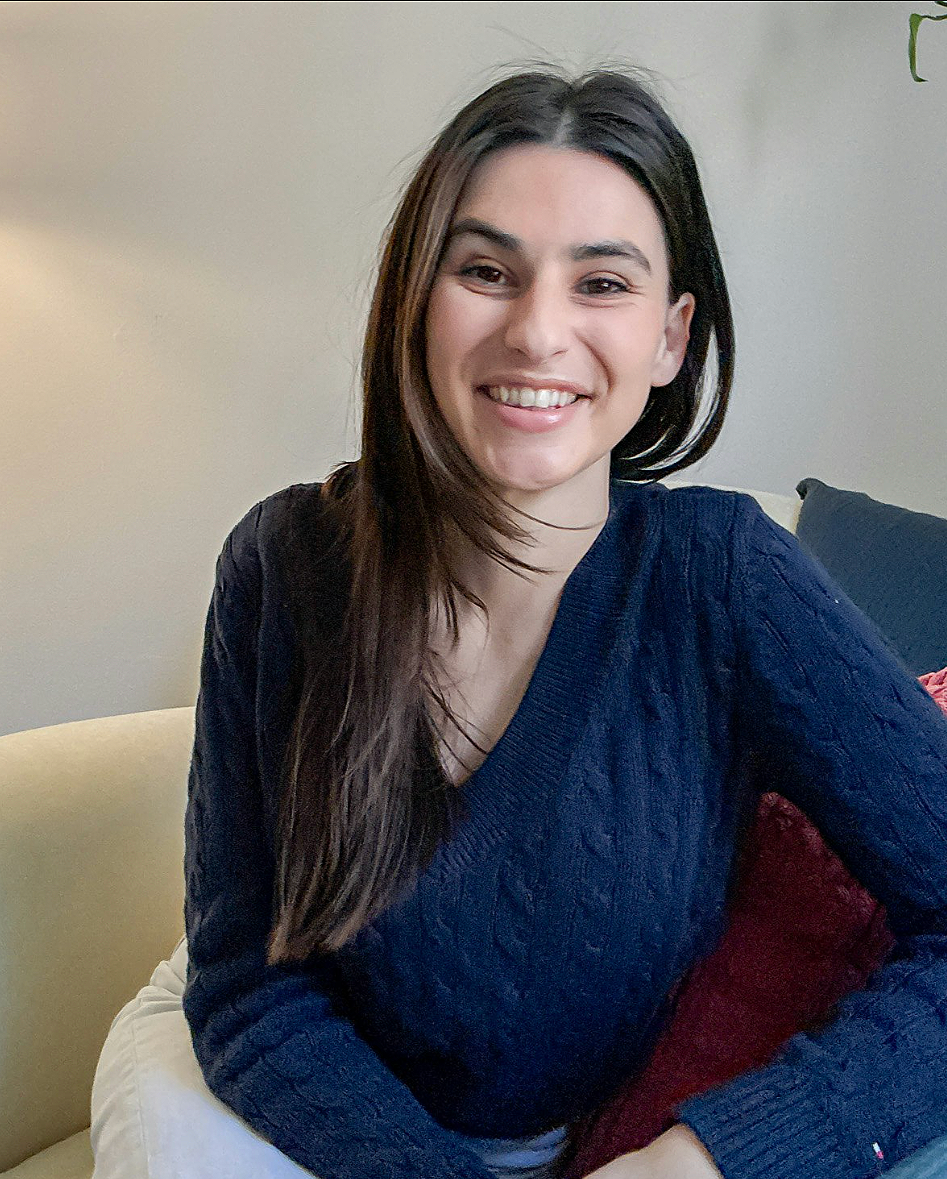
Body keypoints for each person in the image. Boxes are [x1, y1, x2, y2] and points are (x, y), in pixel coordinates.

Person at [90, 65, 947, 1179]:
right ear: (414, 300)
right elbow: (249, 990)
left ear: (670, 339)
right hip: (269, 1083)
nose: (537, 334)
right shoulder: (283, 565)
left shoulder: (722, 575)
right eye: (485, 271)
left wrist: (712, 1157)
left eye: (601, 284)